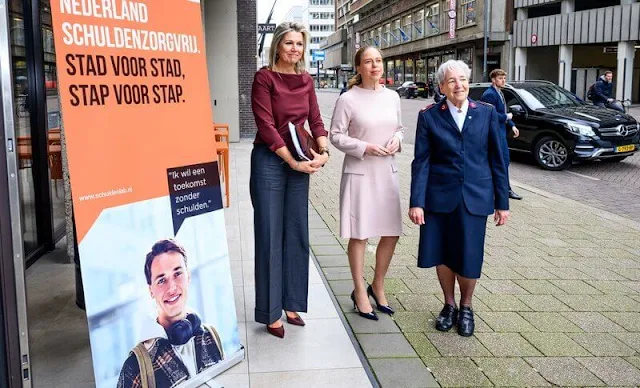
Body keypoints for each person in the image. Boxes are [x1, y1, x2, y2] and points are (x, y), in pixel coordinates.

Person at [409, 60, 510, 337]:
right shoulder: (430, 116)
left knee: (469, 254)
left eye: (463, 79)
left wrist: (503, 202)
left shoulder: (486, 113)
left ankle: (466, 306)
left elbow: (497, 160)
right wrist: (416, 202)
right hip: (438, 197)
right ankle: (449, 305)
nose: (459, 85)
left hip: (475, 196)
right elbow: (422, 162)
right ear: (442, 86)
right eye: (452, 81)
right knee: (442, 252)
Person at [250, 22, 330, 338]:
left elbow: (316, 119)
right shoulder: (264, 77)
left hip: (299, 158)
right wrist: (291, 161)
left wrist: (323, 150)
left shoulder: (306, 81)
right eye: (288, 43)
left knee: (296, 231)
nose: (294, 49)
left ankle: (292, 302)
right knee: (270, 234)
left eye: (299, 44)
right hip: (271, 160)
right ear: (278, 47)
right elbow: (266, 124)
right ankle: (270, 311)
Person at [330, 46, 404, 321]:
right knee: (360, 234)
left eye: (379, 61)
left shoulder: (393, 97)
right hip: (360, 172)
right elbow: (335, 136)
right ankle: (360, 290)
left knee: (391, 232)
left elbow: (398, 127)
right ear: (359, 68)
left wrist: (398, 139)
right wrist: (365, 147)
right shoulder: (348, 99)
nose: (375, 66)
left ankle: (378, 284)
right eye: (368, 62)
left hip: (387, 172)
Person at [118, 239, 224, 388]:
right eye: (161, 280)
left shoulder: (210, 335)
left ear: (188, 277)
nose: (172, 288)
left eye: (177, 274)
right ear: (151, 290)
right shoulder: (135, 366)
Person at [480, 69, 523, 200]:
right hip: (494, 134)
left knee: (503, 161)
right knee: (500, 161)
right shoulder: (489, 94)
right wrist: (506, 116)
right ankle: (504, 190)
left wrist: (512, 125)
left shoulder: (500, 93)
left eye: (504, 78)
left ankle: (503, 189)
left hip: (501, 133)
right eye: (500, 78)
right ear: (493, 80)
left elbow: (502, 112)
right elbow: (489, 115)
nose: (503, 80)